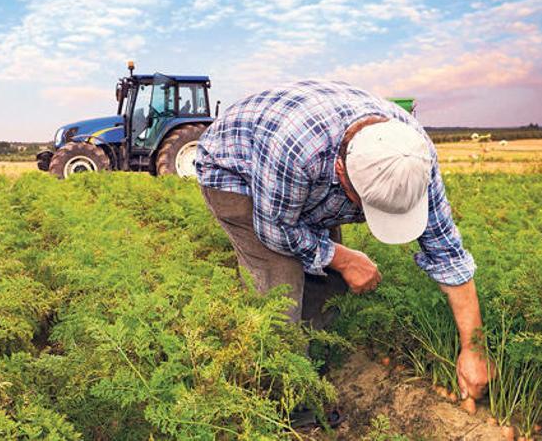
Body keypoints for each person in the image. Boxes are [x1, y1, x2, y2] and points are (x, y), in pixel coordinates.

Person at [195, 80, 492, 404]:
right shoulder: (296, 150)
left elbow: (446, 251)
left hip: (302, 176)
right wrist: (344, 258)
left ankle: (313, 362)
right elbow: (276, 230)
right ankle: (285, 398)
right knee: (280, 290)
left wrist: (474, 348)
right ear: (341, 173)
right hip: (237, 172)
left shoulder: (412, 155)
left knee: (330, 283)